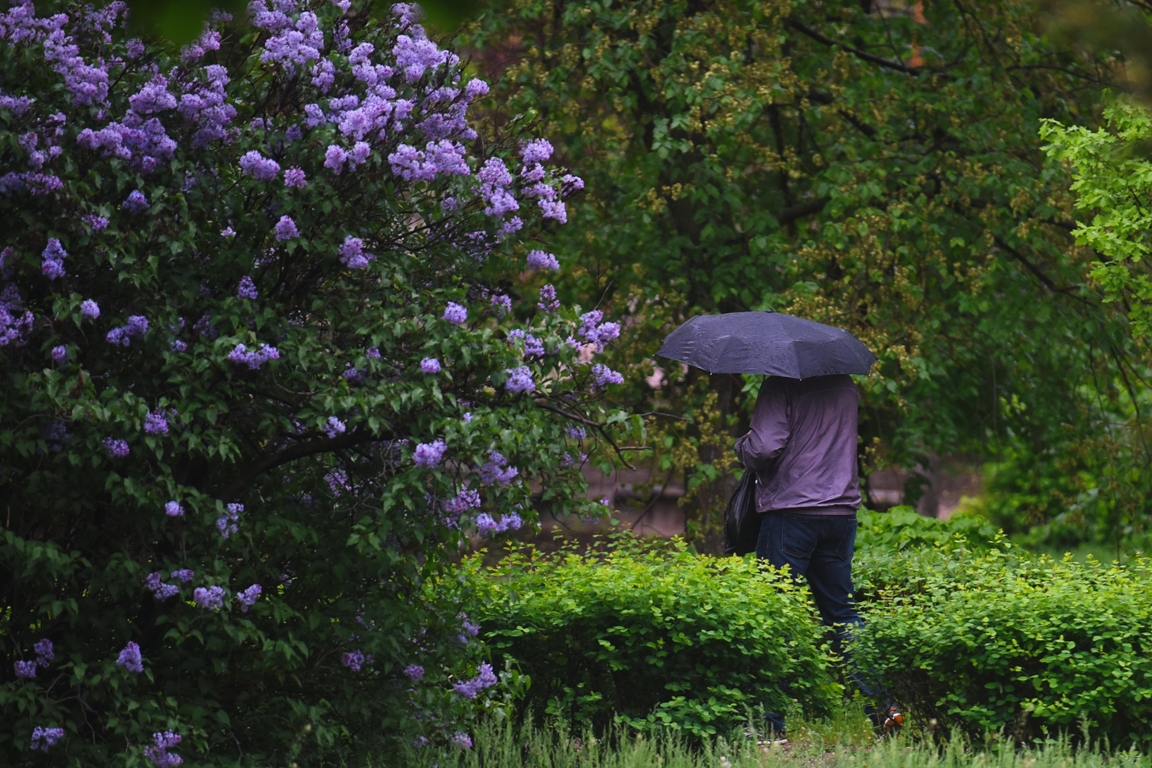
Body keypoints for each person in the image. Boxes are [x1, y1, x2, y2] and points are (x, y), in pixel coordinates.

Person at [734, 373, 901, 736]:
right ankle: (885, 709)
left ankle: (768, 725)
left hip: (792, 512)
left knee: (774, 613)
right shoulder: (845, 384)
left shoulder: (780, 383)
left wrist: (741, 448)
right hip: (840, 514)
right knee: (842, 614)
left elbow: (764, 447)